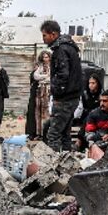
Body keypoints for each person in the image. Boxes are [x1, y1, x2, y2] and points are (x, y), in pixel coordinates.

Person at [41, 19, 83, 151]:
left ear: (53, 34)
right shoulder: (69, 47)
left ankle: (52, 165)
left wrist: (56, 92)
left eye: (44, 35)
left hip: (64, 99)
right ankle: (67, 162)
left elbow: (62, 75)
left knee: (53, 134)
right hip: (72, 97)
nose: (43, 39)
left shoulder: (61, 50)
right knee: (65, 133)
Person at [26, 50, 51, 138]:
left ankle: (46, 133)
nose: (45, 59)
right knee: (38, 113)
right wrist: (45, 77)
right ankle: (39, 133)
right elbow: (35, 76)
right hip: (39, 92)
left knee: (47, 113)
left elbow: (51, 78)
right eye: (44, 57)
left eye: (47, 57)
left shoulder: (52, 67)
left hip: (48, 92)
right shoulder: (40, 67)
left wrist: (43, 78)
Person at [75, 75, 102, 149]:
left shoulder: (101, 94)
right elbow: (80, 106)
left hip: (97, 117)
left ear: (97, 84)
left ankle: (79, 140)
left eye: (93, 83)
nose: (91, 85)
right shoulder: (85, 94)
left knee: (89, 117)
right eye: (90, 83)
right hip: (85, 116)